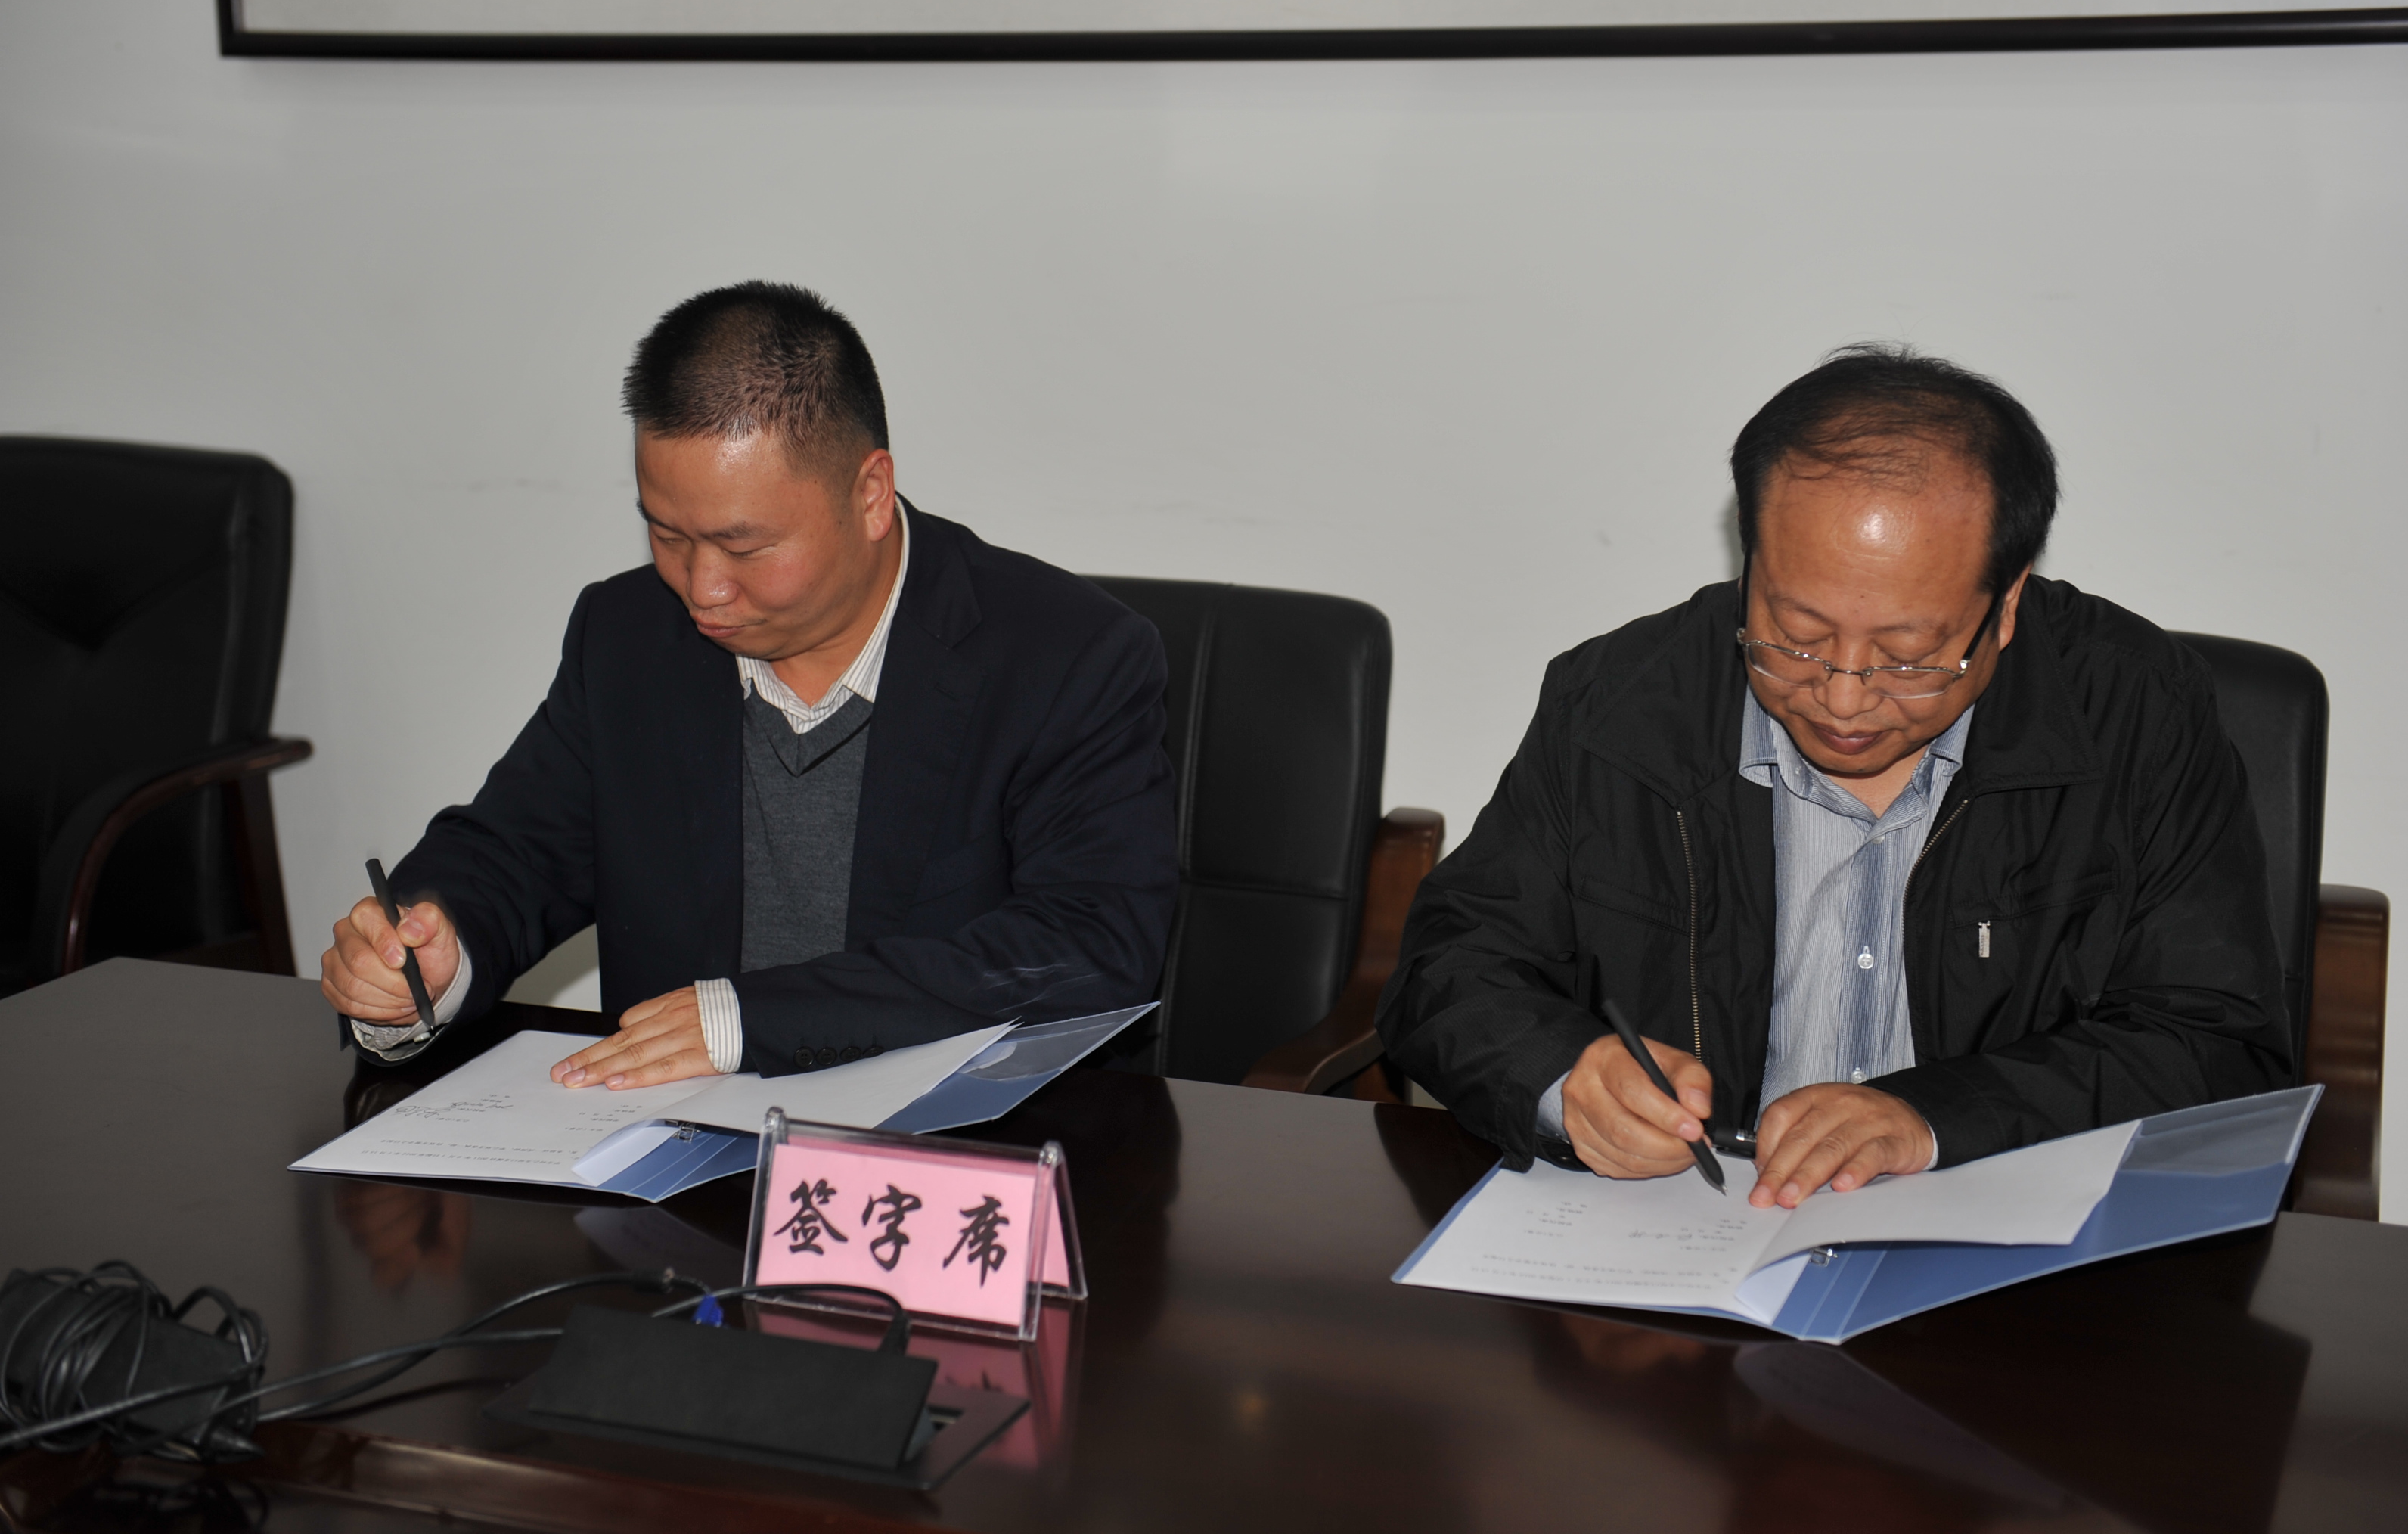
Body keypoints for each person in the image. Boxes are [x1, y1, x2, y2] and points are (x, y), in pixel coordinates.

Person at [1377, 346, 2289, 1210]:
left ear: (2006, 604)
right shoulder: (1619, 703)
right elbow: (1448, 969)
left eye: (1908, 654)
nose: (1842, 696)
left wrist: (1934, 1116)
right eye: (1797, 635)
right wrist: (1563, 1076)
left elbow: (2216, 1043)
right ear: (1748, 563)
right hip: (1695, 1240)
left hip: (2006, 1262)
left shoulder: (2136, 713)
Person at [318, 281, 1179, 1089]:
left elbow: (1093, 945)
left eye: (744, 547)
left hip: (956, 1162)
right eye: (667, 534)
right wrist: (431, 958)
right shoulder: (628, 636)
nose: (702, 589)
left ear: (871, 494)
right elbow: (516, 850)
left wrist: (750, 1021)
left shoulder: (1067, 657)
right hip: (673, 1160)